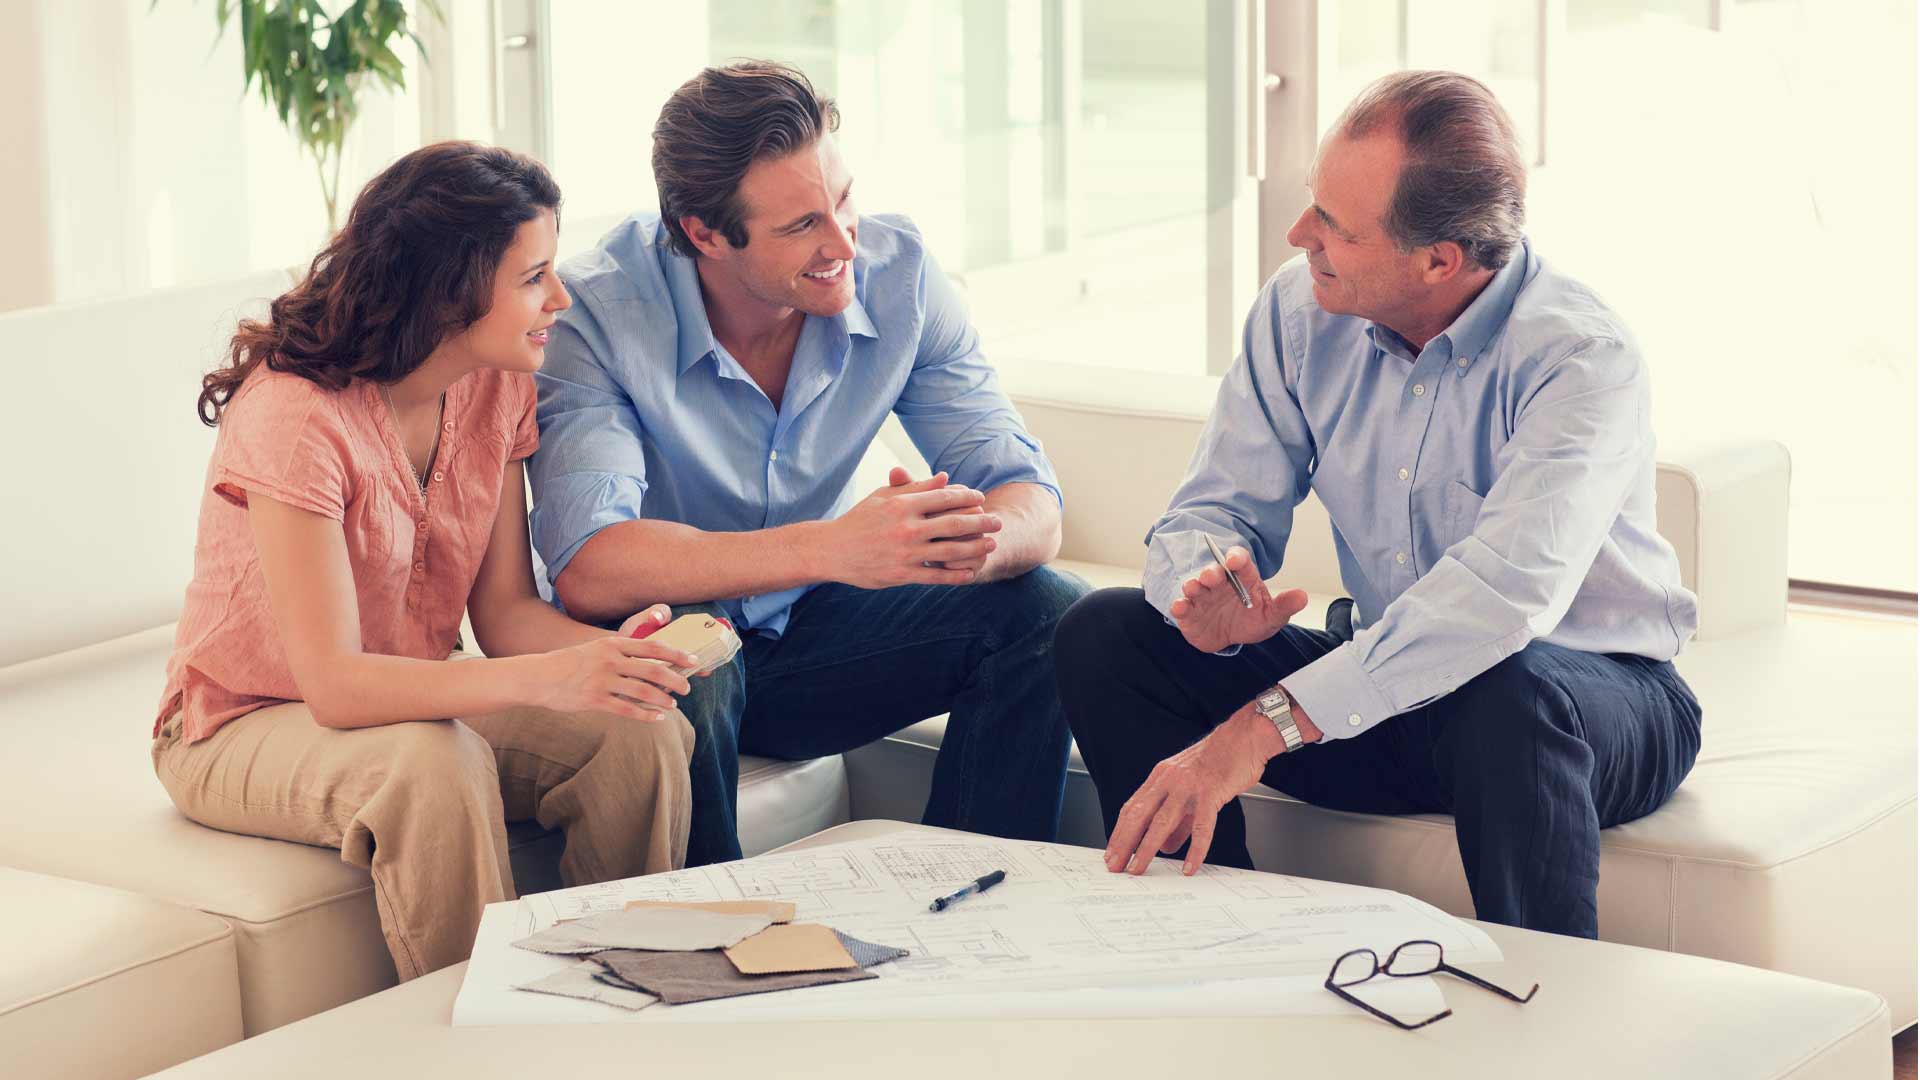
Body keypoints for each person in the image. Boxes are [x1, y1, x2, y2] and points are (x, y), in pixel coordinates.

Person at [1053, 71, 1703, 939]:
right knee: (1107, 633)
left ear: (1439, 261)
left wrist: (1256, 730)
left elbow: (1495, 606)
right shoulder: (1297, 311)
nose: (1297, 236)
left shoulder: (1580, 358)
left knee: (1503, 692)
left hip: (1588, 705)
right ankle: (1209, 948)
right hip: (1396, 693)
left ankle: (1548, 1026)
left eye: (1333, 227)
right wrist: (1205, 591)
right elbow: (1211, 507)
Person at [153, 142, 701, 981]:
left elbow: (507, 616)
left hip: (404, 702)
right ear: (449, 289)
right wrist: (542, 681)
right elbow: (335, 685)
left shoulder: (497, 382)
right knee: (434, 763)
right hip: (241, 723)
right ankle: (485, 1039)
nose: (560, 298)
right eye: (533, 278)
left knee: (637, 730)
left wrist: (608, 661)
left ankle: (625, 997)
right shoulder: (295, 414)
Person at [528, 61, 1086, 867]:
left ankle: (974, 910)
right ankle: (716, 951)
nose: (844, 242)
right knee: (696, 650)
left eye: (845, 199)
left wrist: (962, 541)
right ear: (704, 233)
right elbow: (589, 565)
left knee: (1048, 609)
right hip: (668, 643)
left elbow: (1030, 494)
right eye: (801, 227)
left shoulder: (901, 280)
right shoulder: (597, 318)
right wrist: (832, 549)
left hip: (815, 639)